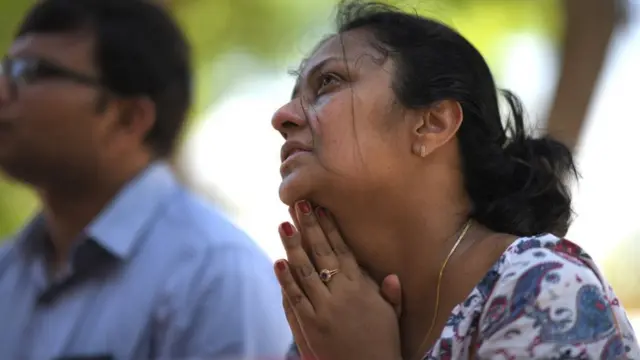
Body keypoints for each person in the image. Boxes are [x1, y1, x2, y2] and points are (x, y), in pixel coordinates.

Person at [270, 1, 640, 359]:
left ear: (432, 124)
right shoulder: (328, 323)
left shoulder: (543, 287)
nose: (282, 117)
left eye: (329, 82)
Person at [0, 0, 290, 359]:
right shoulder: (8, 269)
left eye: (30, 72)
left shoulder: (214, 275)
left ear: (128, 119)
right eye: (6, 68)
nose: (2, 92)